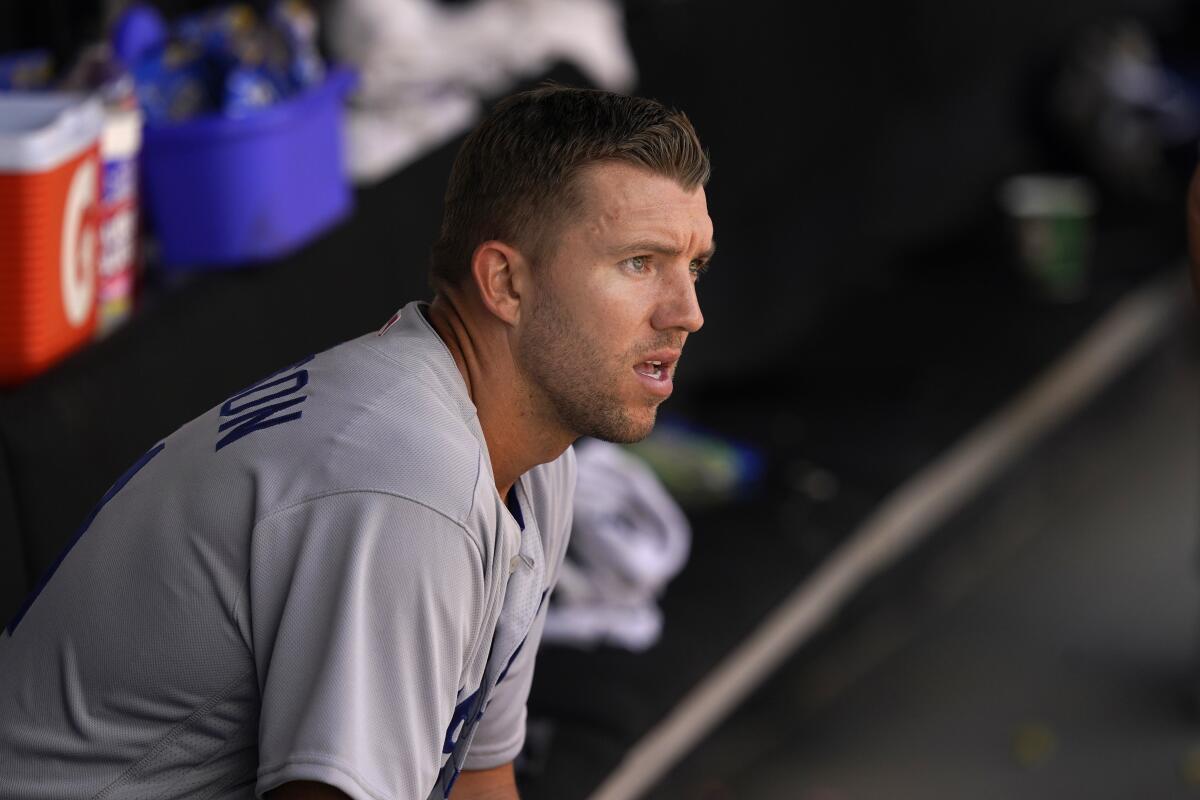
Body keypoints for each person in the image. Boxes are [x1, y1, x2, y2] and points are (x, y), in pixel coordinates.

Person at [0, 85, 713, 799]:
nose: (688, 313)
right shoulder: (407, 489)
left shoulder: (531, 452)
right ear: (504, 282)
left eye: (695, 266)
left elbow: (474, 774)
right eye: (640, 263)